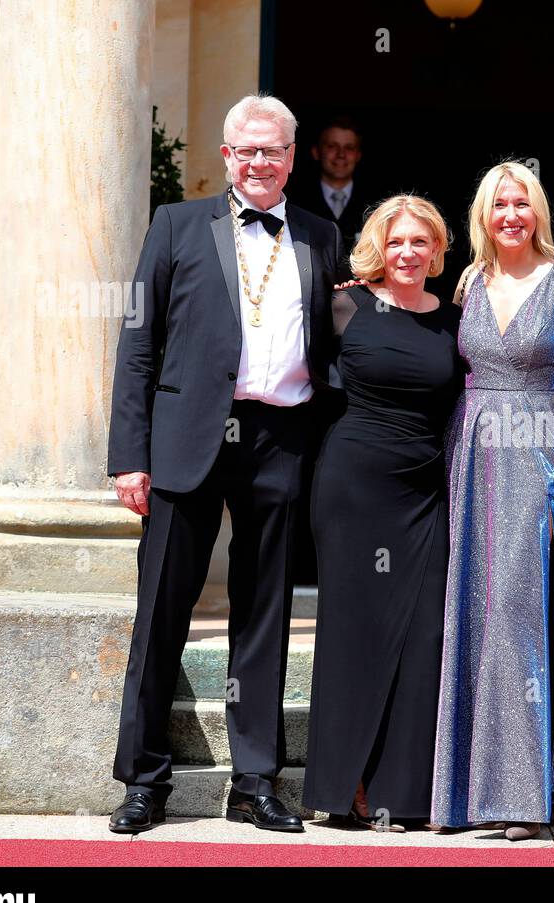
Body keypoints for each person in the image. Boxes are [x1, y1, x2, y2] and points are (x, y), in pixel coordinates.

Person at [107, 94, 340, 833]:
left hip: (282, 440)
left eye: (274, 150)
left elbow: (335, 347)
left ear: (292, 157)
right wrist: (128, 457)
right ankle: (144, 780)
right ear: (226, 156)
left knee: (264, 617)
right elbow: (138, 343)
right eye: (248, 149)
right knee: (162, 614)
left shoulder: (320, 234)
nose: (261, 161)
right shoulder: (176, 224)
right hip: (185, 441)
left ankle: (255, 780)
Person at [430, 162, 554, 841]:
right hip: (470, 455)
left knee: (518, 611)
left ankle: (524, 789)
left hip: (540, 455)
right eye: (499, 204)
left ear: (538, 211)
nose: (511, 214)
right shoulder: (469, 282)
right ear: (484, 214)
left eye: (522, 203)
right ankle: (468, 787)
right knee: (472, 607)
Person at [302, 195, 462, 829]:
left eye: (420, 242)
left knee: (424, 633)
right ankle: (343, 787)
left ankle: (404, 791)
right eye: (396, 242)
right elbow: (302, 382)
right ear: (378, 245)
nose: (407, 253)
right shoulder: (345, 304)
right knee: (353, 631)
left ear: (437, 250)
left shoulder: (455, 319)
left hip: (424, 491)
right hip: (352, 485)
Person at [309, 117, 370, 258]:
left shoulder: (377, 203)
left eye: (349, 148)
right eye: (332, 146)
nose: (341, 155)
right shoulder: (296, 201)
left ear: (358, 155)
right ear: (316, 152)